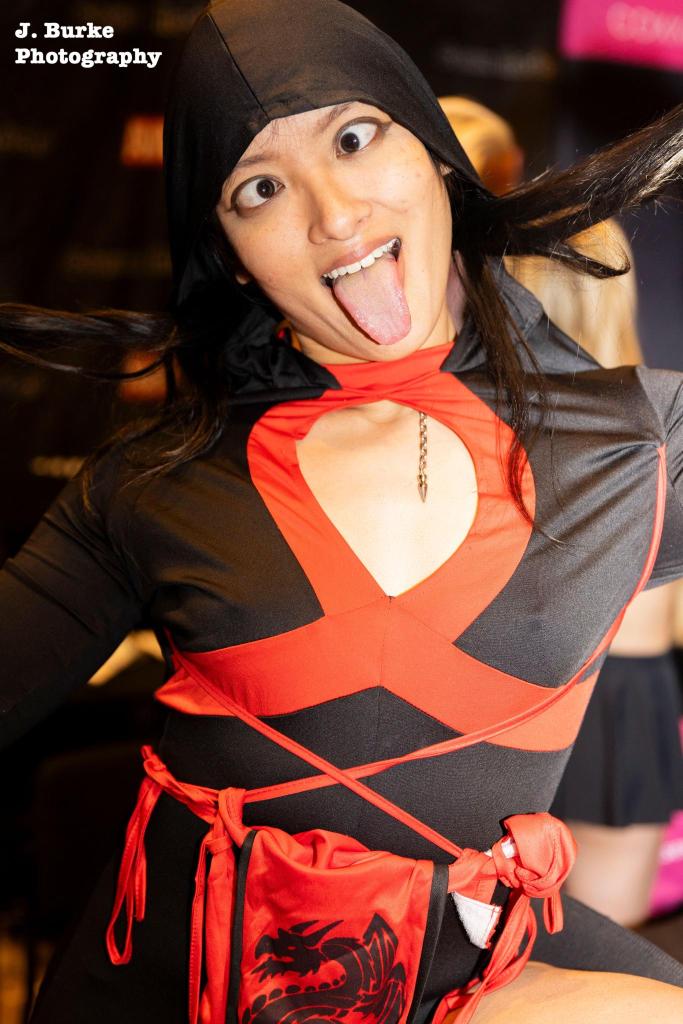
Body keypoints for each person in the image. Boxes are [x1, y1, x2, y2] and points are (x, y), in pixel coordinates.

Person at [2, 1, 683, 1022]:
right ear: (231, 252)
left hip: (465, 976)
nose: (333, 214)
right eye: (260, 188)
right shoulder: (150, 487)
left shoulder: (636, 444)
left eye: (354, 138)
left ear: (435, 152)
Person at [439, 95, 683, 927]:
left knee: (512, 956)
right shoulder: (655, 436)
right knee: (598, 950)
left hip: (536, 703)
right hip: (611, 703)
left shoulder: (482, 447)